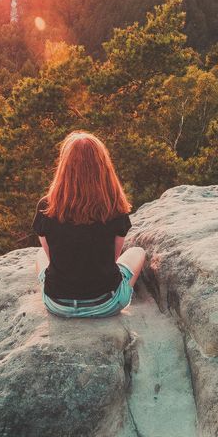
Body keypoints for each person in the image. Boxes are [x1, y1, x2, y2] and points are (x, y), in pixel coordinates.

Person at [32, 131, 146, 318]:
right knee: (138, 252)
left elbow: (51, 257)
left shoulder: (47, 206)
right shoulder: (114, 206)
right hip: (106, 303)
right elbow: (114, 258)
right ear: (103, 165)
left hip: (57, 304)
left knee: (39, 256)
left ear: (64, 166)